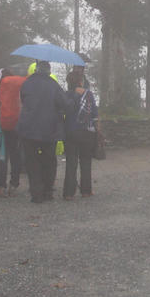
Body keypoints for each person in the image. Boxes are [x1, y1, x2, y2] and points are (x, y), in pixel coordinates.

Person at [18, 60, 66, 203]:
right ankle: (47, 191)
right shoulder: (53, 85)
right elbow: (64, 103)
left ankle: (36, 193)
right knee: (49, 161)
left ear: (36, 70)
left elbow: (23, 100)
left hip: (28, 129)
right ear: (49, 71)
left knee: (32, 162)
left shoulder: (26, 84)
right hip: (49, 129)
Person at [62, 69, 99, 200]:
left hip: (71, 131)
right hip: (86, 132)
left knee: (71, 162)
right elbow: (95, 114)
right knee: (85, 161)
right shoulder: (88, 95)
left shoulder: (66, 95)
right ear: (80, 81)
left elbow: (63, 110)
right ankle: (86, 191)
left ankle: (68, 193)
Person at [0, 67, 27, 197]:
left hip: (4, 123)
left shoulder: (2, 85)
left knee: (3, 155)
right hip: (18, 123)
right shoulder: (20, 83)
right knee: (16, 154)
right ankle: (14, 183)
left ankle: (0, 185)